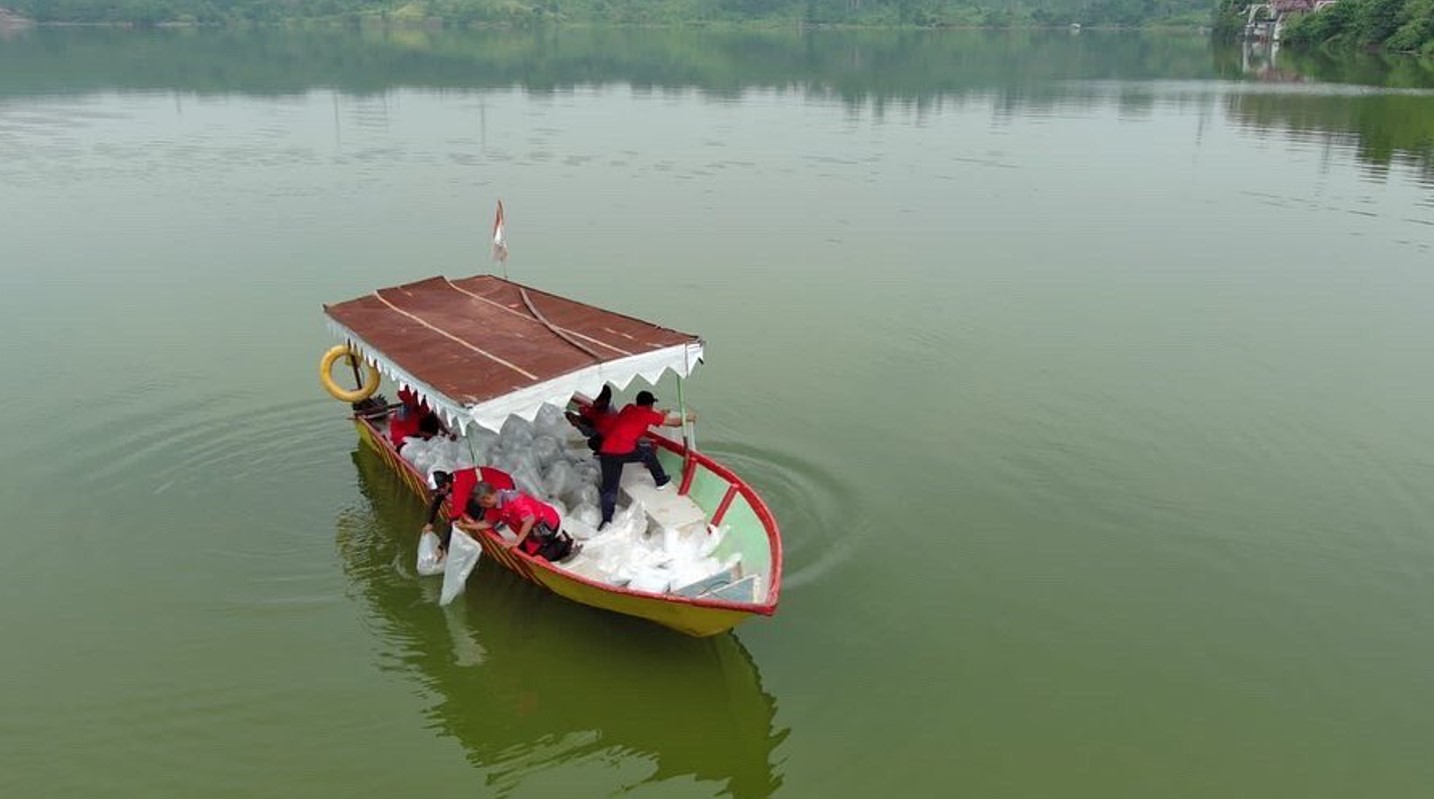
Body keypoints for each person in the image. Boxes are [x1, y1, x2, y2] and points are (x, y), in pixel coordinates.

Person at [596, 390, 696, 529]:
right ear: (650, 404)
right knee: (647, 451)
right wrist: (689, 418)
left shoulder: (628, 408)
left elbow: (645, 417)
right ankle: (661, 480)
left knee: (609, 488)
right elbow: (675, 423)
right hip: (623, 452)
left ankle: (606, 520)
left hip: (606, 451)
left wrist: (660, 414)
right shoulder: (648, 414)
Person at [464, 482, 578, 562]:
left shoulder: (514, 500)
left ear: (487, 498)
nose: (481, 506)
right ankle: (554, 541)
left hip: (546, 522)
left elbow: (530, 519)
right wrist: (466, 525)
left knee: (539, 557)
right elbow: (488, 523)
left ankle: (565, 543)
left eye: (481, 503)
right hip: (531, 528)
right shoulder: (494, 505)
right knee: (524, 552)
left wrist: (516, 542)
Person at [421, 466, 515, 555]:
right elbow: (439, 498)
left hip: (504, 487)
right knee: (477, 511)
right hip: (490, 487)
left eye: (438, 490)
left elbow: (453, 520)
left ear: (446, 485)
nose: (437, 493)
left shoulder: (459, 490)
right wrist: (430, 522)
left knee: (498, 519)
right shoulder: (450, 479)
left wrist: (441, 546)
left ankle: (512, 539)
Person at [566, 385, 617, 449]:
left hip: (602, 440)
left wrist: (578, 424)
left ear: (603, 402)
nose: (591, 401)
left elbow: (592, 433)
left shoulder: (607, 420)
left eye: (594, 400)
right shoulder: (592, 404)